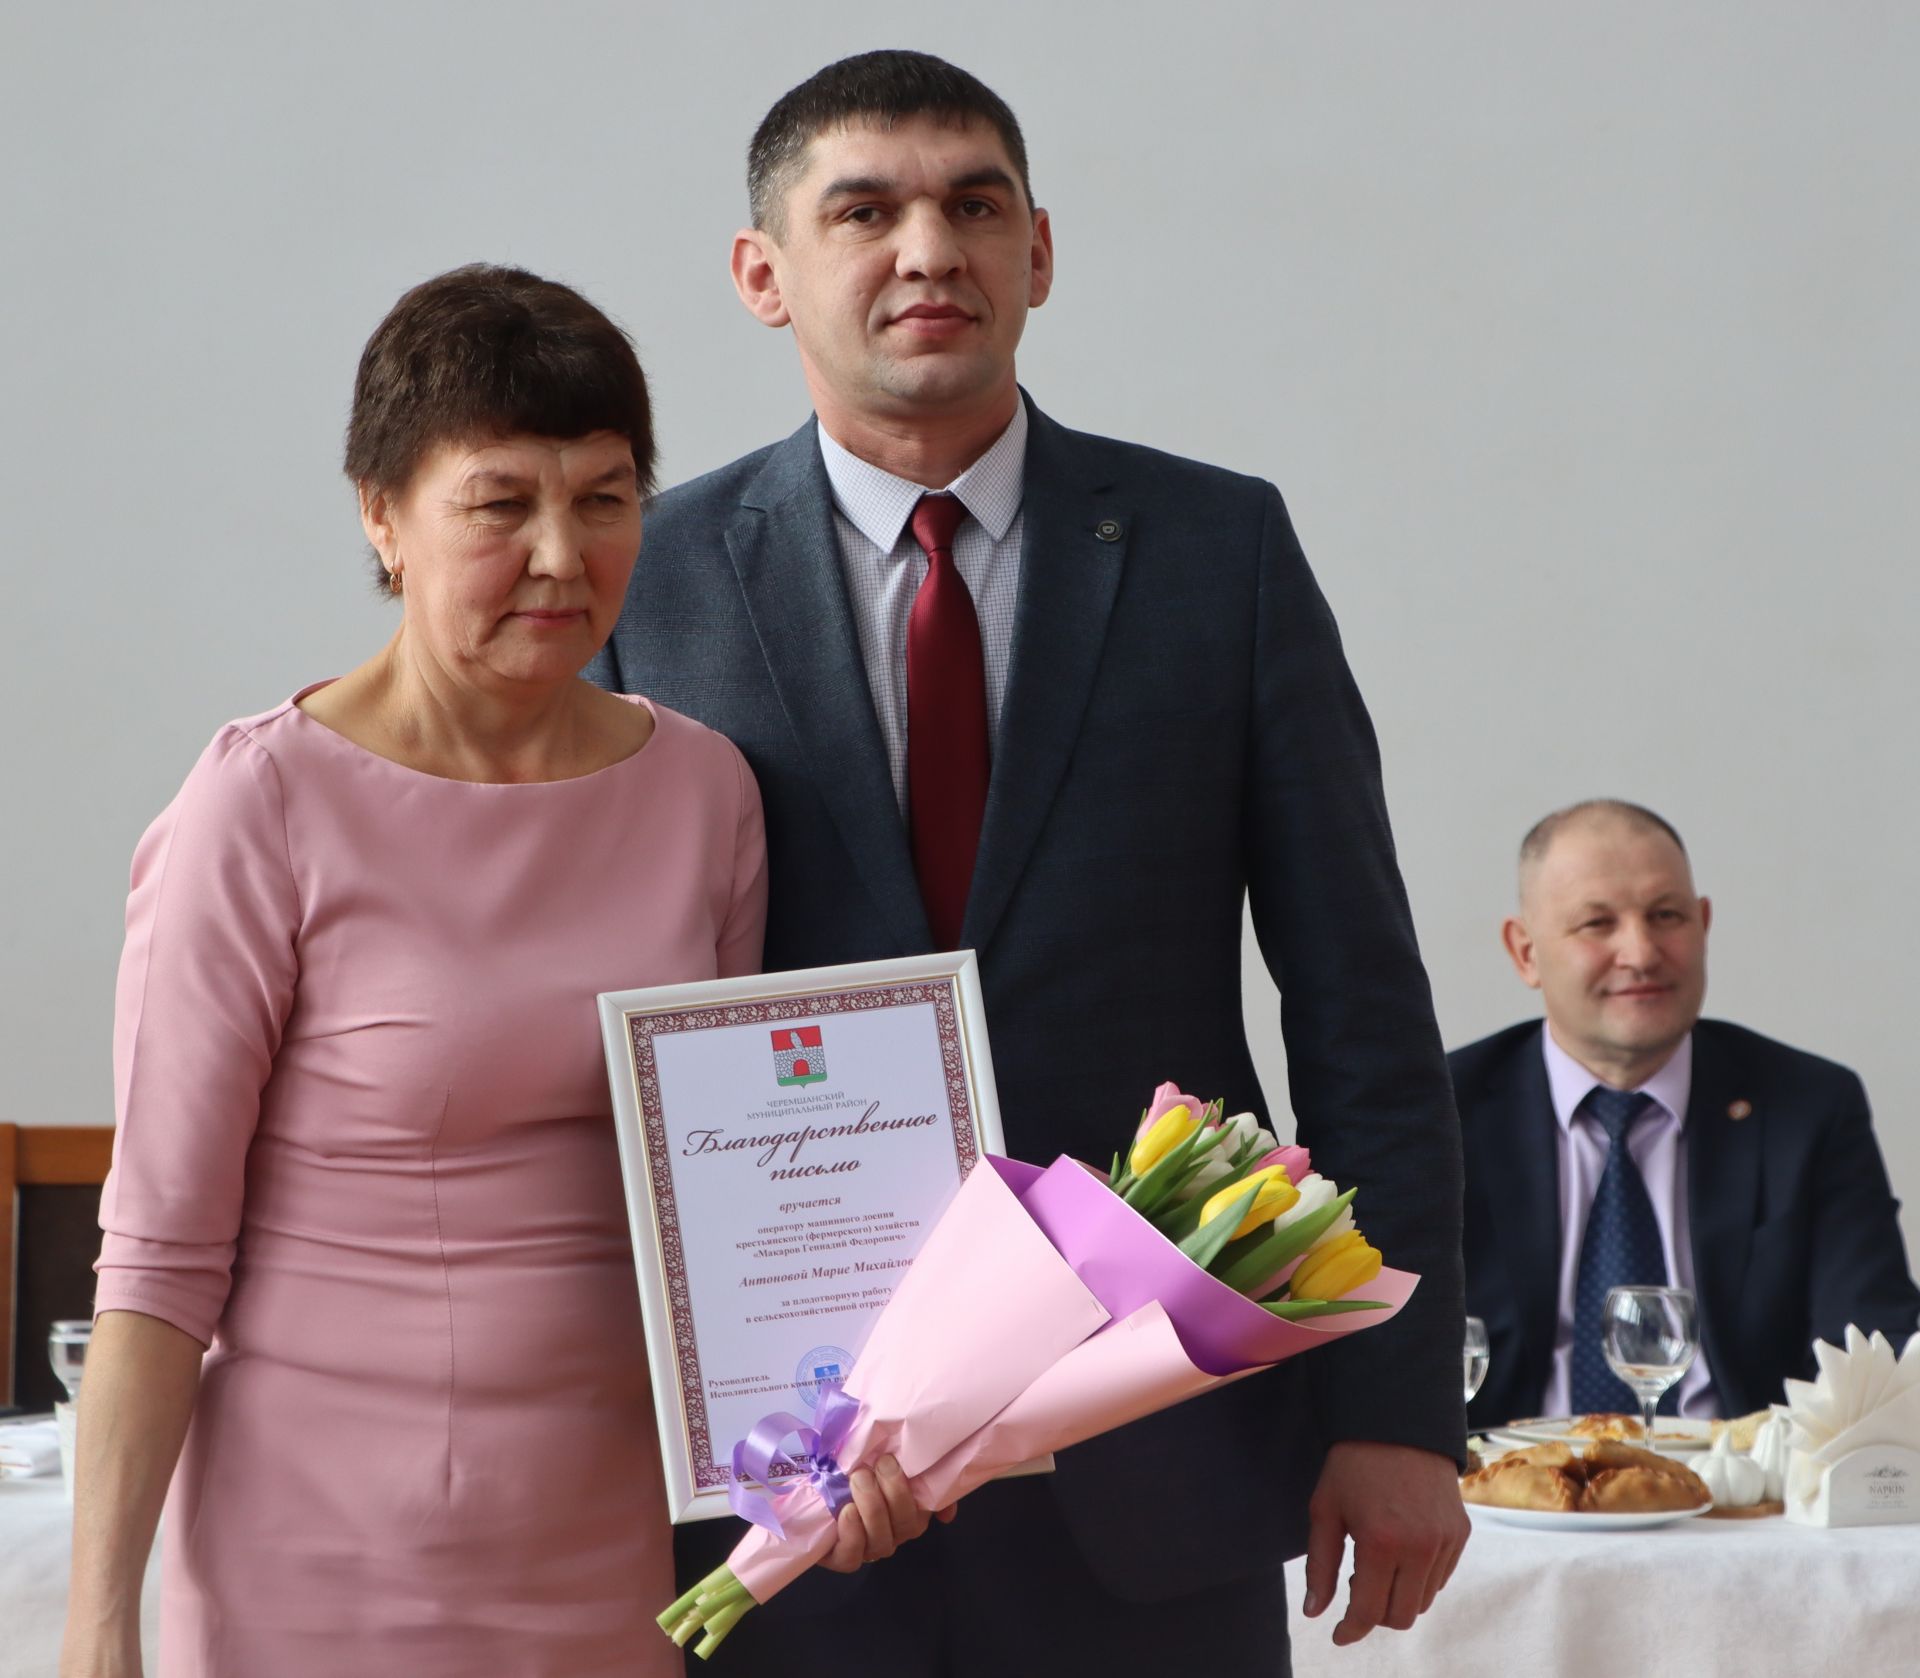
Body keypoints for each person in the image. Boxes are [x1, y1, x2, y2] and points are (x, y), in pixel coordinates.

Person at [586, 50, 1468, 1675]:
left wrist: (1400, 1409)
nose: (930, 248)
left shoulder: (1223, 551)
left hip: (1156, 1463)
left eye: (972, 205)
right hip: (790, 1482)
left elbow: (1364, 1009)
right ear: (762, 272)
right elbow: (577, 1019)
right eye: (867, 209)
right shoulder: (654, 578)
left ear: (1039, 253)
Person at [64, 265, 926, 1678]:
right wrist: (99, 1628)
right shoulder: (259, 803)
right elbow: (157, 1260)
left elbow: (730, 1206)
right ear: (381, 511)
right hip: (314, 1553)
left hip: (605, 1556)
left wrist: (844, 1433)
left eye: (603, 499)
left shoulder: (705, 790)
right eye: (499, 502)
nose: (559, 554)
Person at [1455, 798, 1920, 1431]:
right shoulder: (1442, 1113)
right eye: (1597, 924)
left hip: (1739, 1502)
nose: (1641, 953)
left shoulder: (1808, 1106)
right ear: (1526, 952)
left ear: (1702, 924)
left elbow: (1875, 1352)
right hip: (1500, 1503)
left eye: (1665, 916)